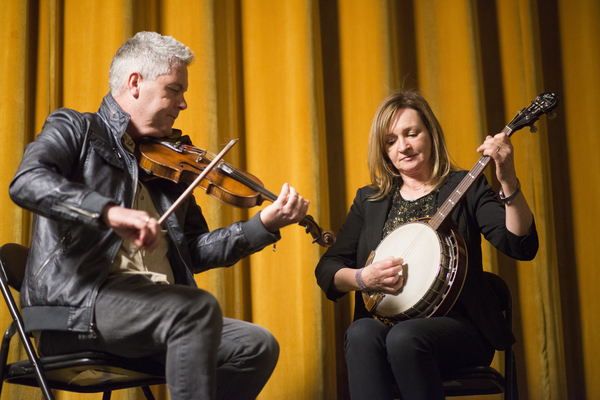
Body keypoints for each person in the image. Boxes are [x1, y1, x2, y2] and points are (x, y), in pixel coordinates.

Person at [9, 31, 310, 400]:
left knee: (255, 345)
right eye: (174, 89)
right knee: (195, 309)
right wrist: (109, 212)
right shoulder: (77, 129)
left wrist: (263, 225)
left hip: (152, 310)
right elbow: (27, 183)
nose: (183, 104)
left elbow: (194, 251)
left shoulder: (167, 163)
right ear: (135, 83)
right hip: (77, 307)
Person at [315, 90, 538, 399]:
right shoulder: (370, 200)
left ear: (430, 134)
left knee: (404, 337)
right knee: (361, 331)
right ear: (383, 150)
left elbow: (519, 245)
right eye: (391, 141)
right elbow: (327, 269)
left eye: (411, 133)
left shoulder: (465, 187)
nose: (403, 146)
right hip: (385, 325)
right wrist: (362, 278)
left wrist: (508, 180)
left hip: (459, 329)